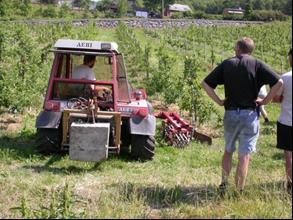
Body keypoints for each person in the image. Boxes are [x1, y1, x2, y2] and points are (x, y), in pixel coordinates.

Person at [201, 37, 283, 195]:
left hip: (231, 113)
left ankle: (224, 184)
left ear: (238, 48)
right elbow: (279, 83)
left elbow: (205, 83)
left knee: (228, 150)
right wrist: (265, 100)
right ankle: (239, 191)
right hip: (250, 114)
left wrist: (219, 101)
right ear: (250, 50)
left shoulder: (227, 63)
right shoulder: (257, 64)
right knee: (244, 155)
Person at [273, 48, 292, 192]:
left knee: (289, 156)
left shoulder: (285, 78)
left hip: (287, 122)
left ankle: (290, 185)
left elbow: (276, 98)